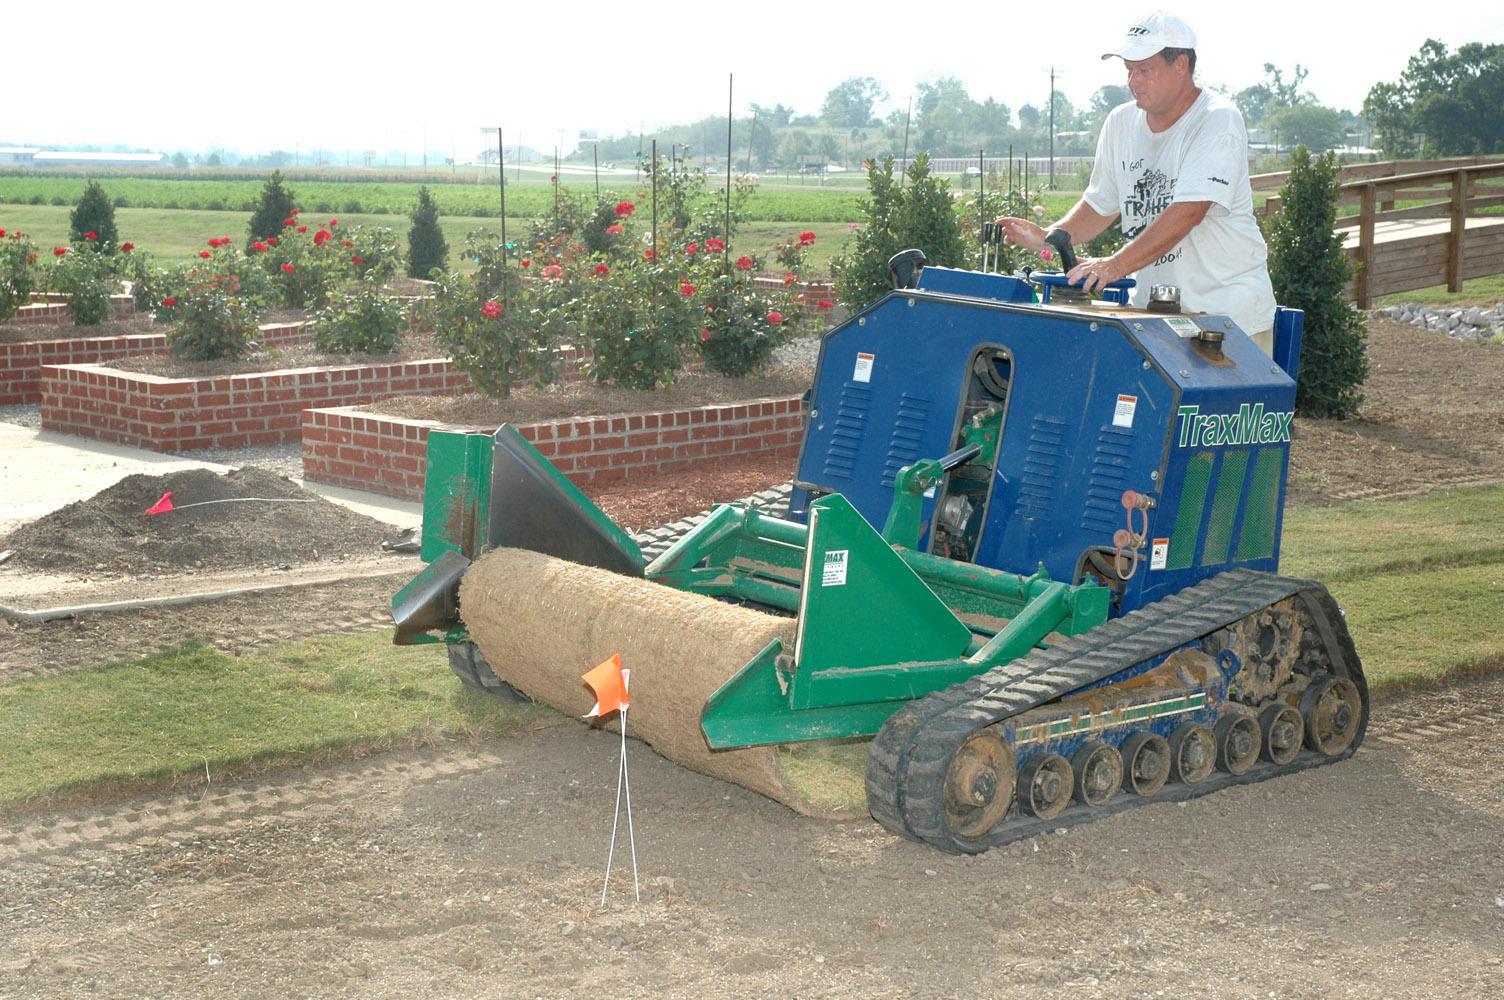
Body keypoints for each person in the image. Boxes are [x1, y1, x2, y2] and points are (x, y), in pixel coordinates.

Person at [996, 11, 1278, 355]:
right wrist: (1050, 236)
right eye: (1129, 70)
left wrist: (1116, 264)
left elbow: (1189, 211)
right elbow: (1100, 205)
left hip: (1227, 320)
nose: (1133, 81)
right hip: (1154, 316)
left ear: (1181, 65)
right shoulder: (1120, 122)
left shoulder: (1217, 119)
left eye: (1145, 70)